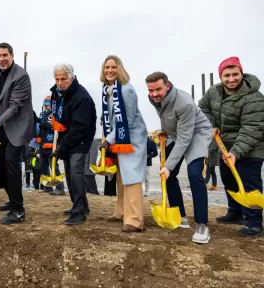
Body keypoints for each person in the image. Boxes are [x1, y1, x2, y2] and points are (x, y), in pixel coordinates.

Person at [198, 56, 264, 237]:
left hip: (252, 146)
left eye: (235, 74)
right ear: (221, 76)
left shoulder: (254, 97)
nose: (231, 79)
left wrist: (236, 152)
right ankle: (235, 213)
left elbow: (252, 128)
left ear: (242, 74)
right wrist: (211, 124)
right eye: (226, 75)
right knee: (229, 179)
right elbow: (203, 107)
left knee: (249, 183)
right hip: (224, 145)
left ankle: (254, 222)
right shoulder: (214, 92)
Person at [147, 71, 212, 244]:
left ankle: (201, 224)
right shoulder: (153, 98)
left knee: (194, 174)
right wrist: (163, 130)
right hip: (176, 134)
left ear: (167, 86)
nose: (154, 94)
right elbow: (164, 116)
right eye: (151, 90)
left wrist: (169, 165)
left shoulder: (184, 103)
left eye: (158, 89)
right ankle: (180, 215)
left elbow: (185, 139)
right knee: (167, 175)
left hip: (197, 134)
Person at [0, 43, 35, 224]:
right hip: (3, 127)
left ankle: (18, 210)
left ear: (12, 56)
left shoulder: (21, 76)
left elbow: (15, 106)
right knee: (1, 165)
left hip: (18, 127)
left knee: (11, 164)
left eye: (4, 55)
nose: (1, 59)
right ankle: (12, 198)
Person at [100, 56, 147, 232]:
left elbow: (127, 120)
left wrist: (109, 140)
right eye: (107, 67)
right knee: (121, 177)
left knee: (131, 177)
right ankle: (121, 212)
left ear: (120, 69)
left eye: (113, 67)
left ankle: (135, 220)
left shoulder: (126, 90)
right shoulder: (108, 90)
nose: (110, 70)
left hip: (131, 139)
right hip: (117, 138)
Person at [50, 63, 96, 225]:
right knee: (69, 171)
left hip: (81, 138)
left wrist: (62, 146)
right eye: (57, 79)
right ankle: (78, 203)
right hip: (68, 138)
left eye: (64, 79)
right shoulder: (60, 94)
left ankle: (80, 211)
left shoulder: (81, 96)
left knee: (76, 171)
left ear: (72, 77)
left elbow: (80, 127)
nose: (60, 83)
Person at [36, 96, 65, 195]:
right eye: (45, 105)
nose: (46, 107)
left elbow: (50, 126)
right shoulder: (43, 114)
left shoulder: (55, 115)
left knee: (53, 166)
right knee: (42, 166)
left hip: (52, 143)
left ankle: (60, 188)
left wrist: (39, 121)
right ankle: (47, 187)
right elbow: (40, 127)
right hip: (43, 143)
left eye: (47, 105)